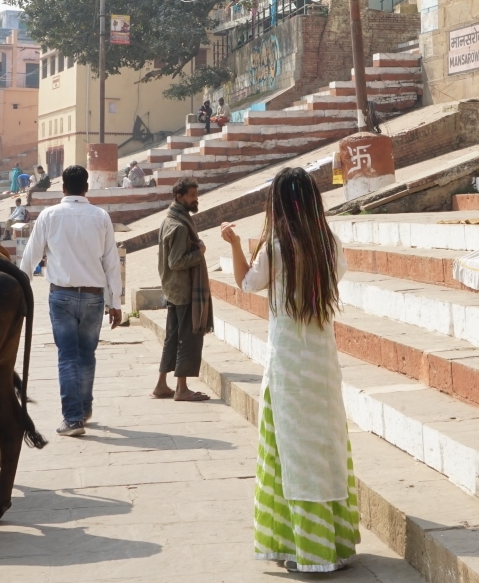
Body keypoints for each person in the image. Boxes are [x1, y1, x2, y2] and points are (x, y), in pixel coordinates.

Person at [222, 166, 359, 573]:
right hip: (321, 364)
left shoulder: (277, 247)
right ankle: (333, 544)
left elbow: (248, 283)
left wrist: (233, 243)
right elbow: (340, 272)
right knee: (325, 448)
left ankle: (306, 550)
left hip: (287, 365)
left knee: (291, 453)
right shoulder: (327, 244)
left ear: (278, 204)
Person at [19, 164, 123, 437]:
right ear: (86, 187)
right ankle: (84, 408)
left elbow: (30, 257)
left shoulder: (49, 215)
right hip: (93, 296)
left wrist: (19, 291)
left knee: (68, 357)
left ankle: (73, 417)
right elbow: (111, 262)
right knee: (86, 355)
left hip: (61, 296)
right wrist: (116, 302)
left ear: (63, 188)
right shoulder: (100, 216)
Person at [153, 178, 211, 403]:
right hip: (184, 291)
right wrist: (200, 252)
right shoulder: (177, 226)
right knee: (187, 339)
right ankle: (182, 388)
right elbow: (176, 261)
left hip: (174, 290)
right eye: (191, 195)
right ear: (179, 197)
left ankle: (161, 384)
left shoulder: (172, 219)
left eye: (196, 195)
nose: (195, 199)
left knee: (172, 338)